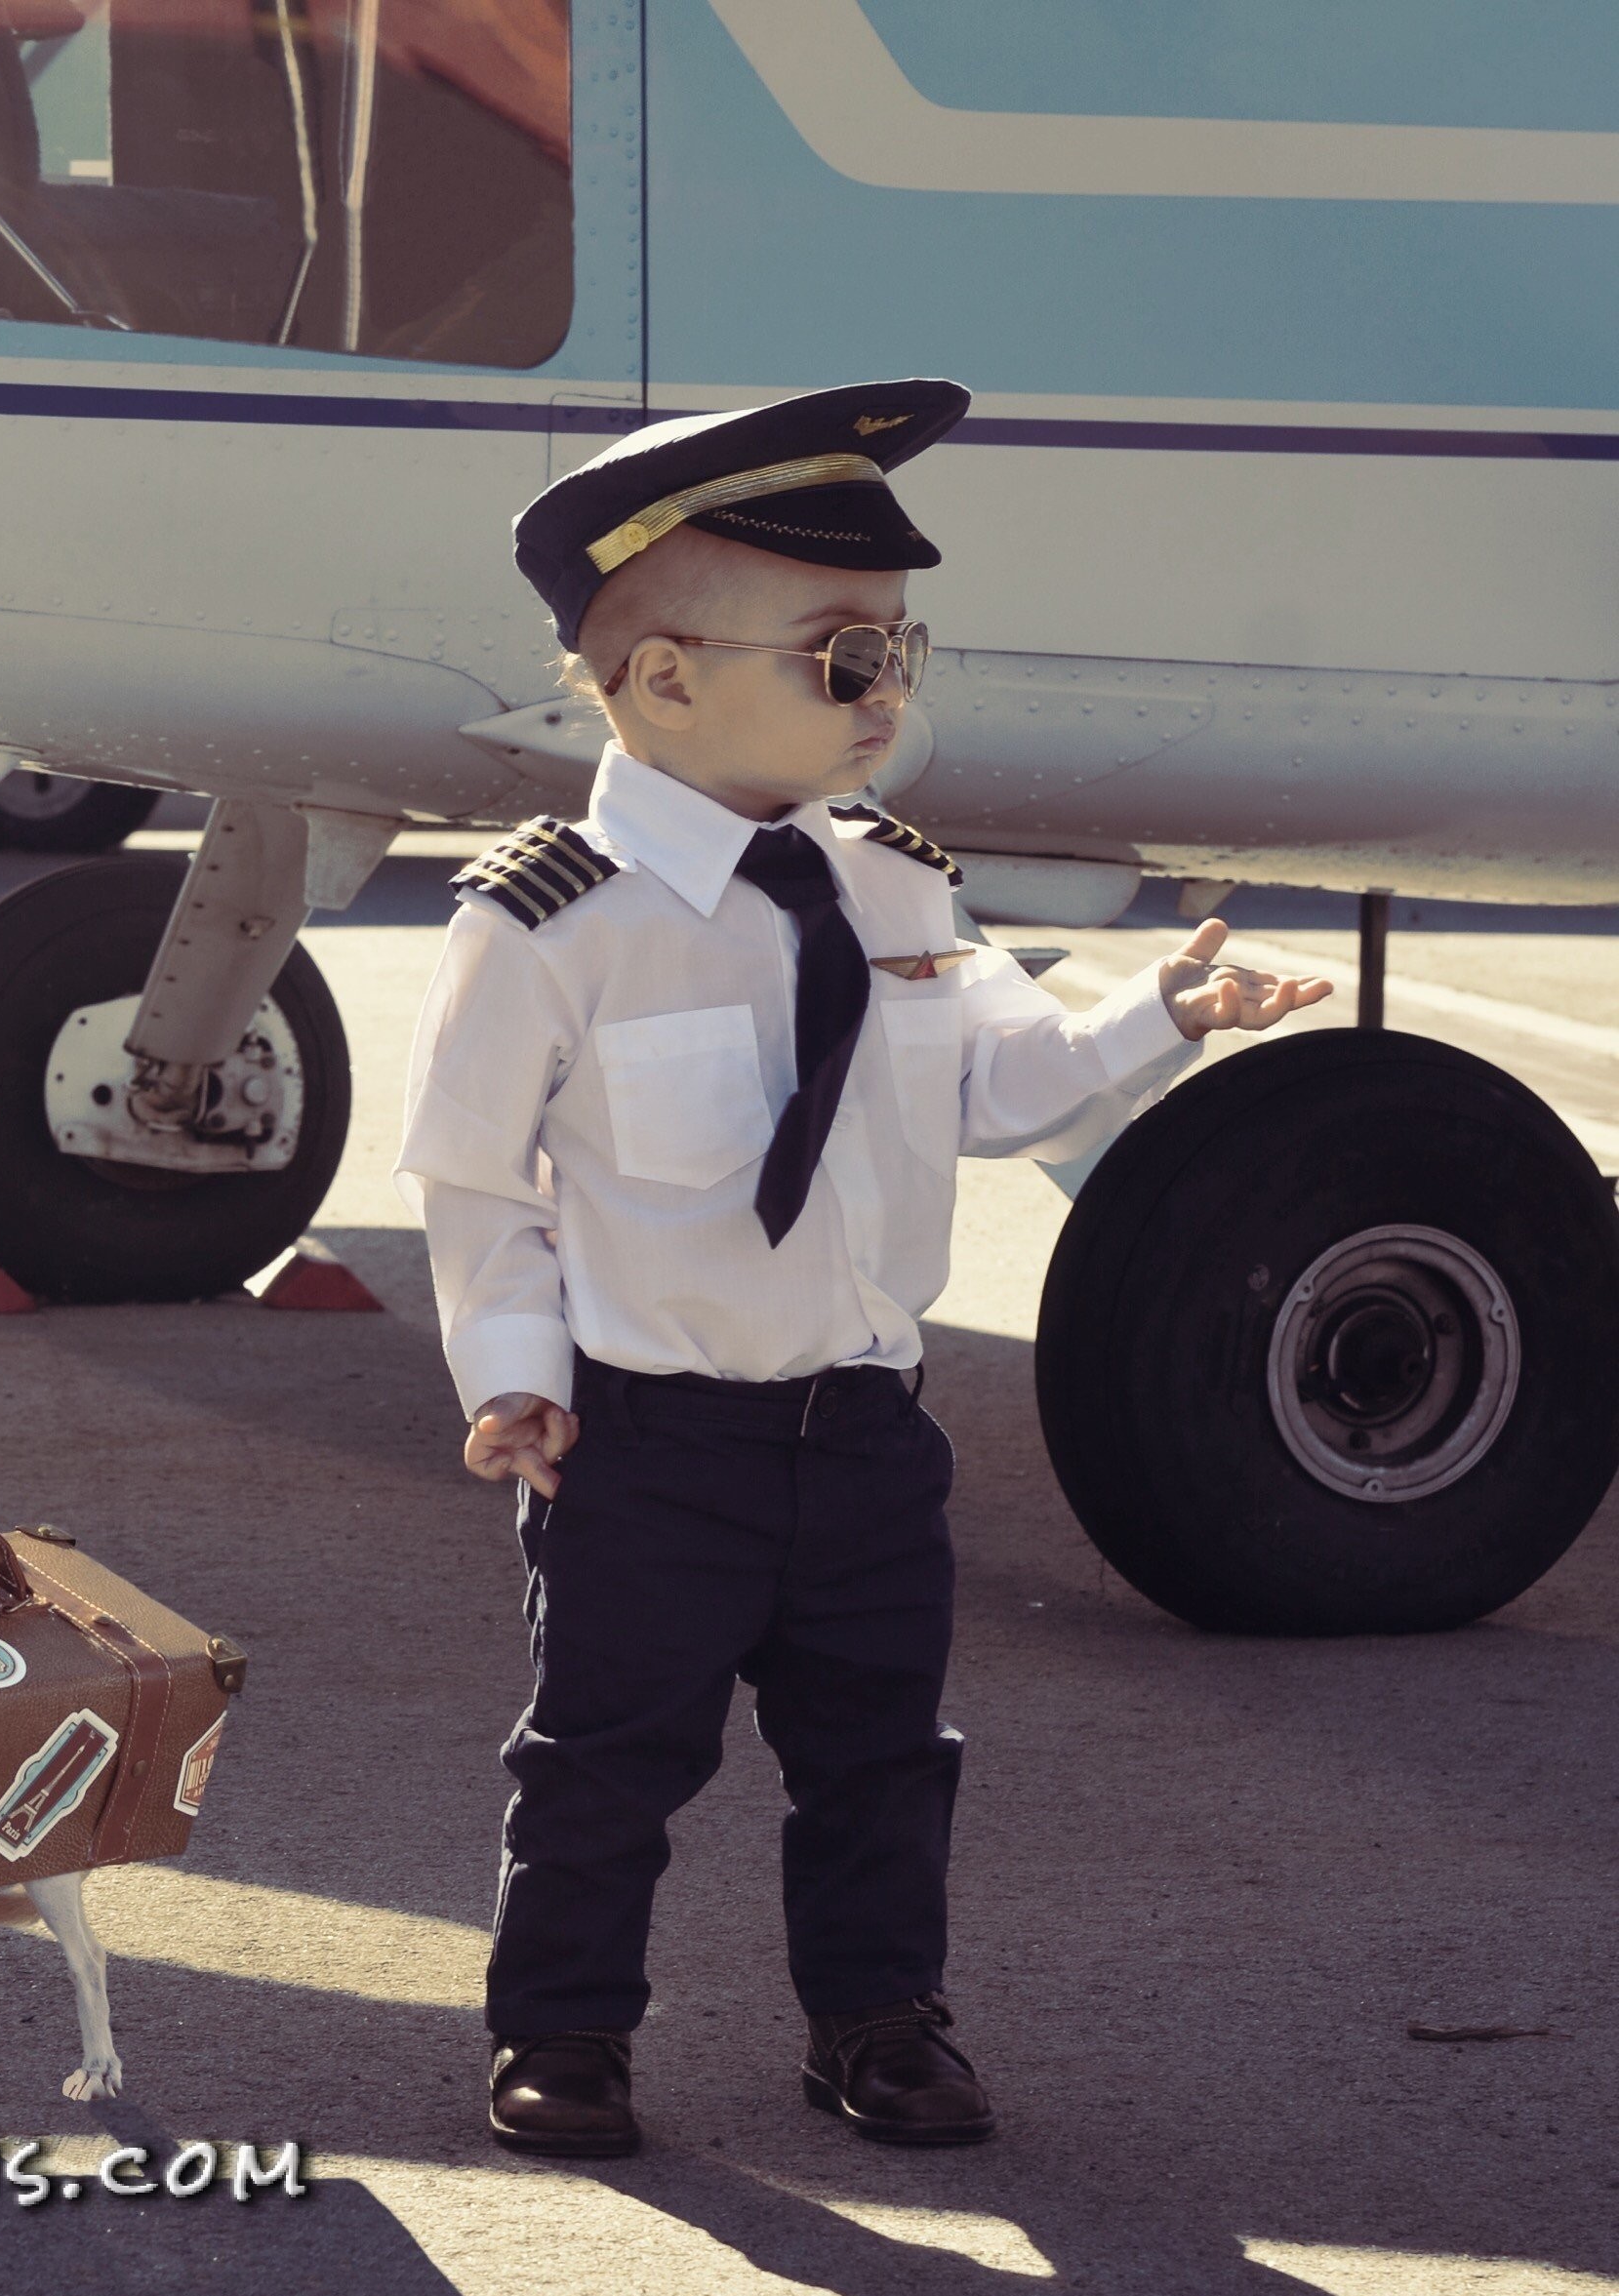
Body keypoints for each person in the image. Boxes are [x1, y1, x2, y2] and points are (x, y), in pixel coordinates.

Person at [397, 381, 1329, 2156]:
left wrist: (1159, 1014)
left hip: (867, 1439)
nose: (888, 697)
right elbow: (471, 1176)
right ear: (664, 679)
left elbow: (995, 1084)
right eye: (840, 660)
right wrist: (512, 1366)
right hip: (648, 1447)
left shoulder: (897, 890)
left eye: (903, 650)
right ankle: (567, 2034)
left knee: (885, 1761)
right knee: (602, 1763)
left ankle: (879, 2025)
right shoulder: (547, 918)